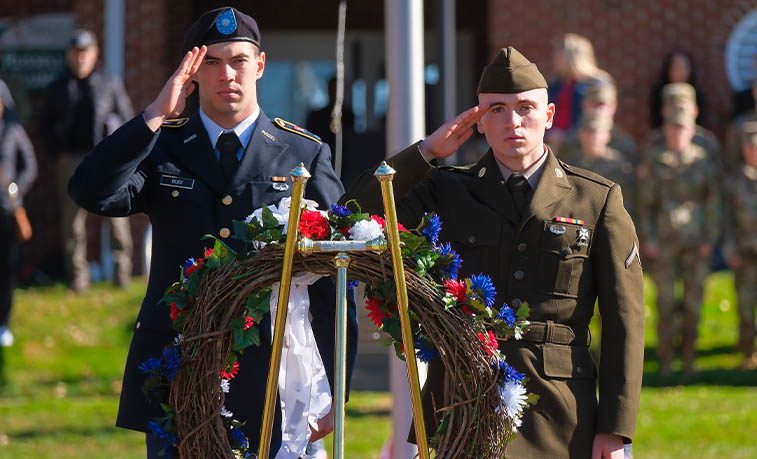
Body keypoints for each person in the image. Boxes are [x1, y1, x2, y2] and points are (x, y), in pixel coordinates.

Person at [68, 8, 357, 458]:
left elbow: (334, 280)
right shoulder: (162, 143)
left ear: (259, 65)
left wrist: (335, 388)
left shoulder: (302, 152)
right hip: (177, 366)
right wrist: (153, 115)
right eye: (212, 62)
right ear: (192, 71)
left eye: (239, 60)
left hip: (270, 371)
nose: (227, 74)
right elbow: (91, 191)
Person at [343, 46, 644, 459]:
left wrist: (615, 431)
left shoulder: (595, 200)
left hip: (559, 412)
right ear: (478, 121)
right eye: (496, 110)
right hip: (462, 400)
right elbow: (353, 213)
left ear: (550, 115)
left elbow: (625, 321)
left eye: (525, 108)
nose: (513, 122)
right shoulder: (446, 190)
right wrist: (427, 152)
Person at [40, 29, 134, 291]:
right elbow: (44, 124)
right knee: (72, 222)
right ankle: (78, 276)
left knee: (116, 215)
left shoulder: (109, 83)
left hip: (106, 158)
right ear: (69, 55)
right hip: (70, 158)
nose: (80, 58)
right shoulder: (58, 86)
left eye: (85, 52)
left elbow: (126, 118)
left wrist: (120, 152)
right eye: (75, 52)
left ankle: (121, 271)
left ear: (95, 54)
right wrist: (55, 153)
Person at [639, 106, 719, 376]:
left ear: (691, 131)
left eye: (683, 128)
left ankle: (689, 358)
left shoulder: (702, 161)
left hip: (696, 242)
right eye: (673, 128)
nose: (678, 133)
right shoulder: (657, 160)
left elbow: (712, 203)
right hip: (664, 242)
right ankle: (665, 359)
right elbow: (646, 205)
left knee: (694, 301)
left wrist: (710, 237)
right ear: (667, 131)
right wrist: (647, 238)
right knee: (665, 301)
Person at [0, 92, 37, 348]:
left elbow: (30, 165)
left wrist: (14, 189)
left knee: (5, 271)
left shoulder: (12, 132)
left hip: (6, 213)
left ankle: (3, 323)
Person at [723, 121, 757, 371]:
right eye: (750, 146)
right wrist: (730, 249)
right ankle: (748, 353)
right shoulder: (734, 181)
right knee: (745, 306)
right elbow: (726, 219)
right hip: (744, 253)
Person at [546, 33, 612, 149]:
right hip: (554, 145)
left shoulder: (596, 84)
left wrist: (565, 137)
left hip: (584, 147)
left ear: (572, 56)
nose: (554, 58)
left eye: (559, 54)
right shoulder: (555, 84)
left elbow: (598, 121)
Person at [556, 79, 638, 167]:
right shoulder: (570, 141)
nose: (597, 109)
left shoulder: (624, 143)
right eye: (593, 104)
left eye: (602, 105)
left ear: (613, 107)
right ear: (584, 105)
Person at [572, 112, 637, 222]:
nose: (594, 137)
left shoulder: (620, 166)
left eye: (598, 132)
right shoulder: (570, 164)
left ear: (608, 136)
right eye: (589, 131)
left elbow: (629, 202)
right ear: (581, 135)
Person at [649, 49, 706, 129]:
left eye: (683, 67)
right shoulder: (659, 93)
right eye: (675, 66)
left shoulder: (697, 94)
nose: (679, 70)